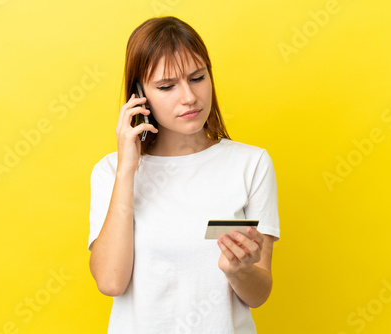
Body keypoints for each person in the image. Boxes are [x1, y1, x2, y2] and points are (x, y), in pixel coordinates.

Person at [88, 16, 280, 333]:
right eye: (166, 86)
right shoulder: (110, 171)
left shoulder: (251, 164)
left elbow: (259, 294)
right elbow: (110, 281)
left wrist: (238, 271)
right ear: (139, 95)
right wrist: (127, 170)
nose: (189, 97)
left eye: (197, 78)